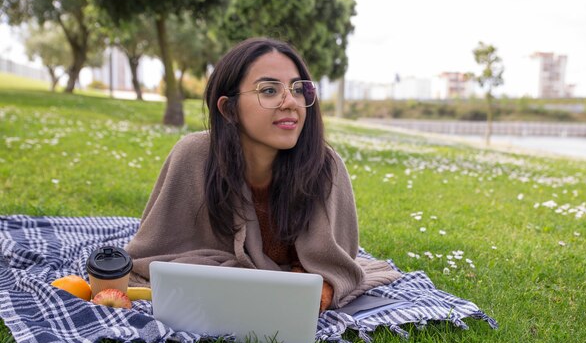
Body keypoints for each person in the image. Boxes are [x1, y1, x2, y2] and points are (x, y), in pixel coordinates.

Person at [125, 37, 401, 312]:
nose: (290, 102)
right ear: (228, 108)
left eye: (297, 89)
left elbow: (336, 265)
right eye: (269, 90)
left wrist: (312, 293)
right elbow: (151, 256)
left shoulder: (325, 167)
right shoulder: (194, 155)